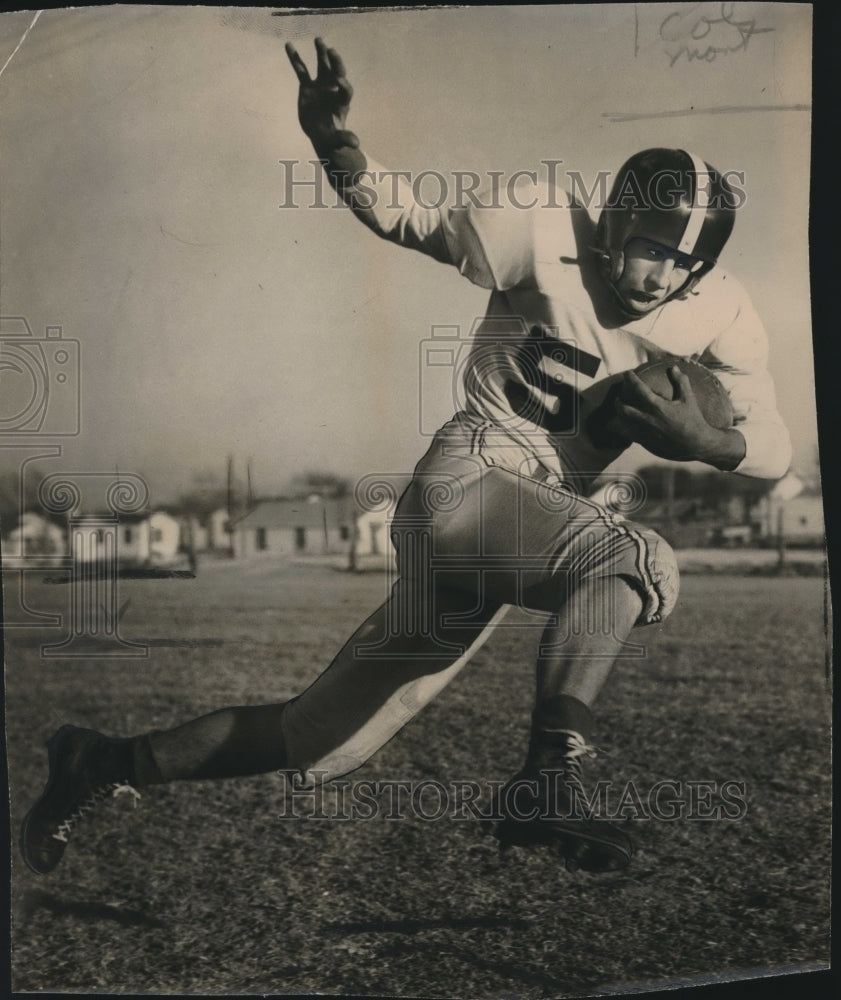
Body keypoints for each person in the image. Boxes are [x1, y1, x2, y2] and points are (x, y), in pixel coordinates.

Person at [20, 38, 790, 877]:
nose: (660, 272)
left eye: (683, 259)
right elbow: (403, 214)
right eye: (650, 244)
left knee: (315, 730)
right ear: (611, 223)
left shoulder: (716, 313)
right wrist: (333, 141)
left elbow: (771, 445)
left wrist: (709, 443)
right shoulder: (541, 228)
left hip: (511, 527)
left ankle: (100, 762)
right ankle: (549, 780)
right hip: (468, 482)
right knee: (629, 555)